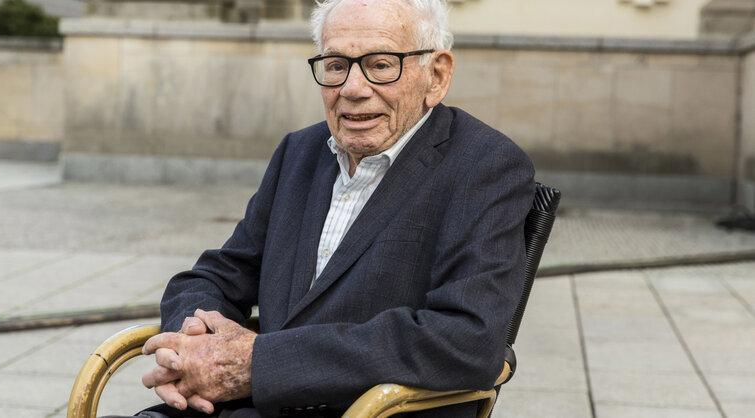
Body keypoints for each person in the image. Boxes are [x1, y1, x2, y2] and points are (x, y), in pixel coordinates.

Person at [136, 0, 534, 416]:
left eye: (381, 65)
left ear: (436, 76)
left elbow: (466, 339)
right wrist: (192, 345)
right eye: (336, 65)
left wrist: (258, 364)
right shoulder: (301, 151)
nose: (352, 88)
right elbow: (217, 274)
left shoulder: (486, 166)